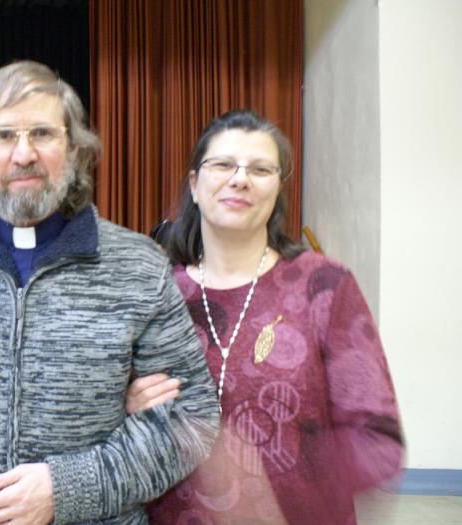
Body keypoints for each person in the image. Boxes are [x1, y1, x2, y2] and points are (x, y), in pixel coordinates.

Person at [0, 60, 220, 524]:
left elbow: (191, 417)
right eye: (3, 136)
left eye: (42, 133)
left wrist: (66, 488)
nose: (23, 154)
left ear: (73, 149)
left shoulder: (138, 267)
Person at [136, 109, 403, 524]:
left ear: (279, 188)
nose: (240, 179)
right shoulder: (154, 292)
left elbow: (376, 436)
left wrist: (286, 476)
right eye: (223, 164)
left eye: (260, 169)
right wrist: (128, 407)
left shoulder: (324, 286)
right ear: (194, 183)